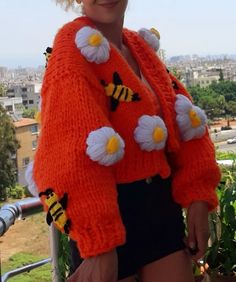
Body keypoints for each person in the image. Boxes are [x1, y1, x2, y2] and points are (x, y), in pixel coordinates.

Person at [33, 0, 221, 281]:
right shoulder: (71, 48)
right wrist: (99, 243)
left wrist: (198, 196)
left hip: (160, 212)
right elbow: (68, 151)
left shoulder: (138, 46)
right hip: (107, 221)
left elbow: (184, 118)